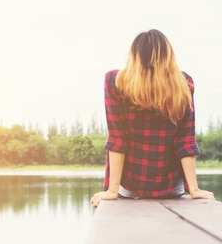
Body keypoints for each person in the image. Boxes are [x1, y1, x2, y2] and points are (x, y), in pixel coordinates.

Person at [91, 29, 214, 208]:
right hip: (171, 188)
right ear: (168, 57)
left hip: (130, 187)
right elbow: (185, 141)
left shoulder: (116, 81)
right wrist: (194, 189)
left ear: (134, 57)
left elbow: (118, 138)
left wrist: (112, 190)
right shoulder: (184, 83)